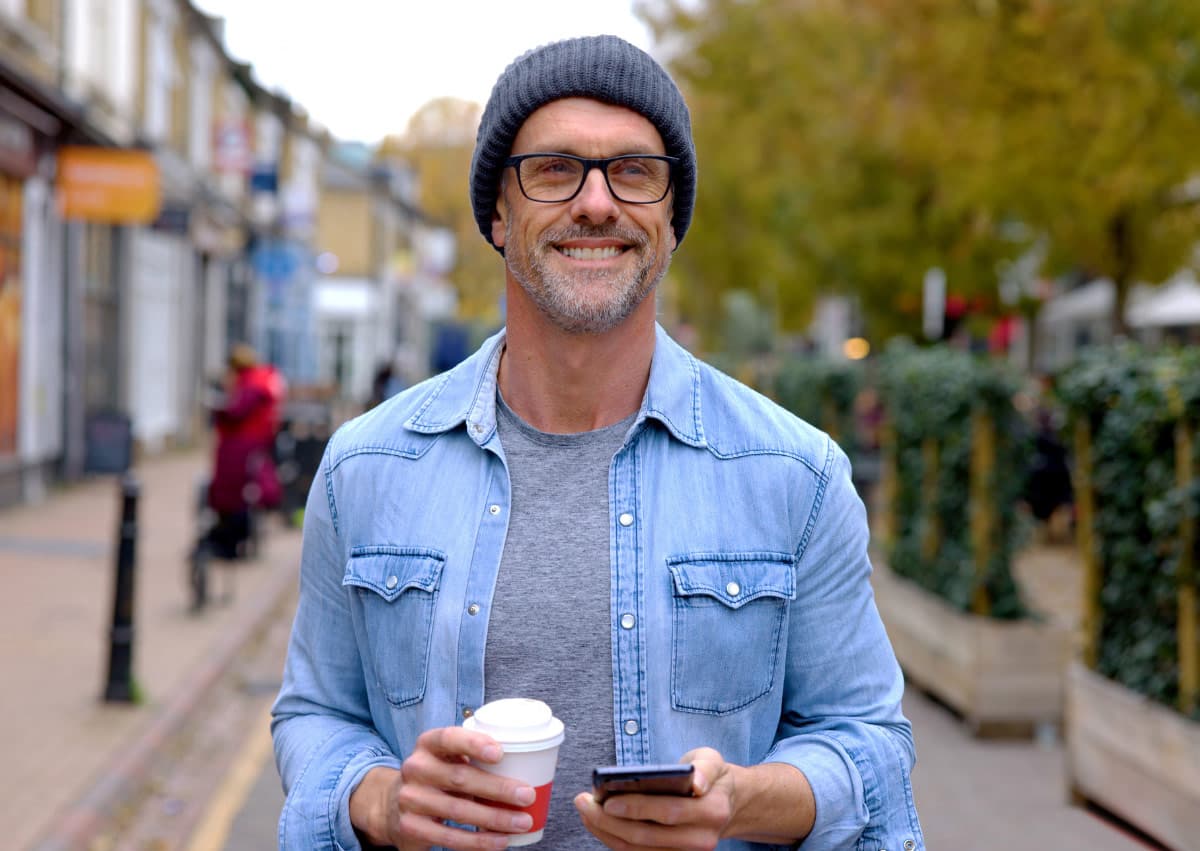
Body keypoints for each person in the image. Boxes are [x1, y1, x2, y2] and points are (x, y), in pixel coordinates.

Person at [272, 35, 924, 851]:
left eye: (634, 171)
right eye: (554, 169)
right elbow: (317, 711)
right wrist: (378, 797)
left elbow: (868, 740)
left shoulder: (797, 475)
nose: (596, 202)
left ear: (672, 218)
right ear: (498, 216)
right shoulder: (365, 468)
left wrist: (741, 799)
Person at [206, 343, 286, 558]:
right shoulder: (261, 381)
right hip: (251, 445)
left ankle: (230, 542)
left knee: (233, 492)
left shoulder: (251, 384)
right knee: (242, 491)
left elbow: (236, 411)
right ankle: (233, 538)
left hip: (240, 447)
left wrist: (217, 408)